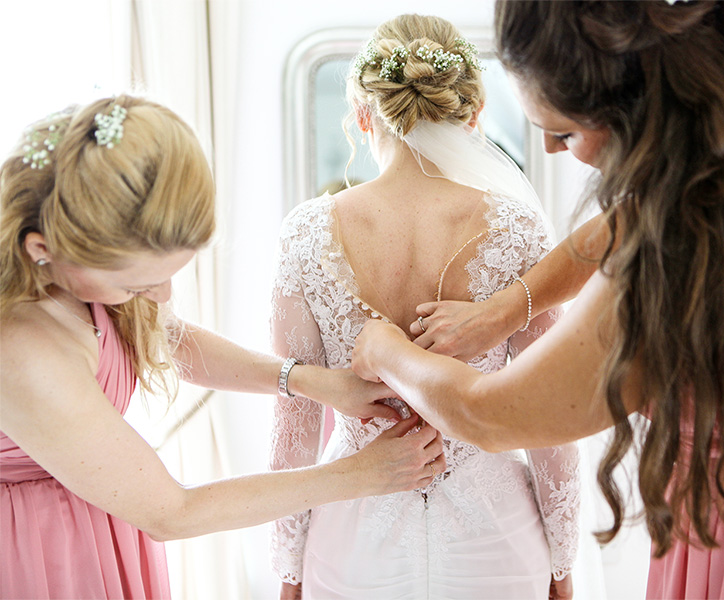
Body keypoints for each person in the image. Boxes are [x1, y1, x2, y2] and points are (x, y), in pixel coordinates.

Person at [351, 1, 724, 598]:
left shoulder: (665, 267)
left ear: (631, 111)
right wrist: (507, 309)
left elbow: (488, 414)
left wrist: (385, 352)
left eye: (565, 133)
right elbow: (618, 224)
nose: (558, 152)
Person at [0, 95, 446, 600]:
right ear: (43, 250)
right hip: (37, 549)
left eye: (169, 276)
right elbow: (173, 512)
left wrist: (308, 380)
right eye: (138, 286)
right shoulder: (22, 353)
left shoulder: (83, 279)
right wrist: (357, 475)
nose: (162, 297)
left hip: (99, 522)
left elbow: (167, 336)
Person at [269, 14, 580, 600]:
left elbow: (296, 417)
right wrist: (562, 565)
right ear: (474, 113)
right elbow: (548, 420)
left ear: (364, 117)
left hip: (352, 535)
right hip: (497, 540)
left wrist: (289, 573)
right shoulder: (516, 228)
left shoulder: (307, 233)